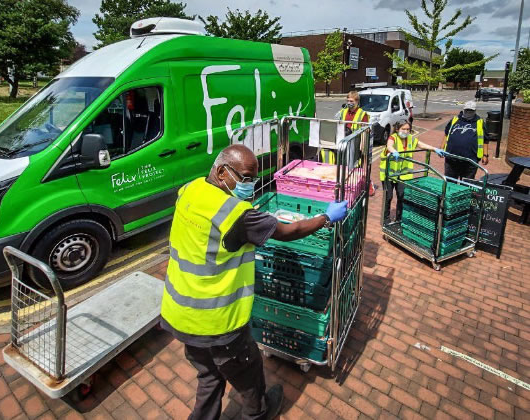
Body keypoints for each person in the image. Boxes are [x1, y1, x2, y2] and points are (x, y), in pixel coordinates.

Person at [160, 144, 349, 420]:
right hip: (217, 322)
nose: (249, 184)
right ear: (222, 172)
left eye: (253, 179)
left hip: (180, 313)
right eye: (245, 177)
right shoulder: (235, 214)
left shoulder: (191, 190)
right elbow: (288, 230)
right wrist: (325, 218)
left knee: (209, 376)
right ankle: (258, 414)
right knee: (248, 374)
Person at [380, 120, 444, 223]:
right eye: (403, 129)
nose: (405, 131)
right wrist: (394, 151)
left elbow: (422, 145)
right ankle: (385, 219)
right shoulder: (393, 137)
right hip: (389, 174)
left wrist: (435, 149)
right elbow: (389, 145)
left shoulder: (411, 139)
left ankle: (399, 218)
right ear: (397, 129)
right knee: (388, 197)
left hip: (403, 175)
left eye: (408, 129)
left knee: (402, 196)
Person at [441, 101, 489, 180]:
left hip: (470, 161)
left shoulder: (479, 122)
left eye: (471, 110)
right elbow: (446, 134)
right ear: (463, 109)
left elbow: (486, 140)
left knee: (466, 184)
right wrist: (441, 148)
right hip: (452, 158)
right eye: (467, 110)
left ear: (475, 111)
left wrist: (485, 155)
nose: (468, 112)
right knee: (450, 183)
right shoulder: (455, 120)